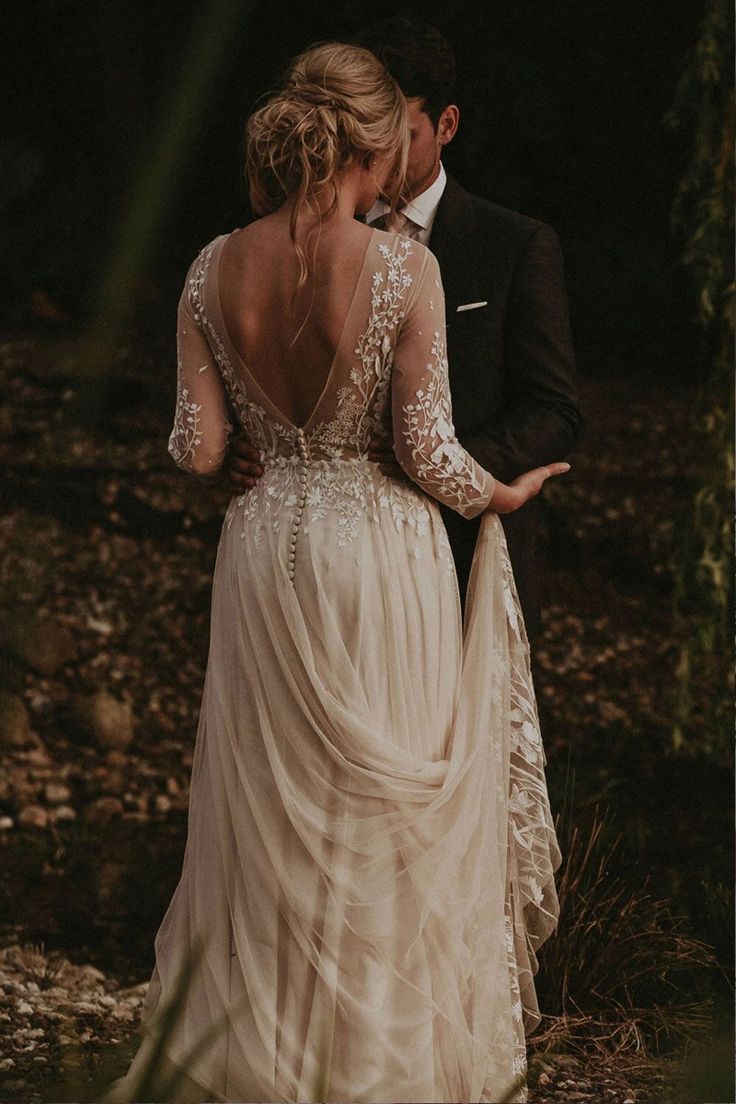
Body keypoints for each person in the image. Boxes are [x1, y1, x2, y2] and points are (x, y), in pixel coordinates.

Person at [103, 41, 567, 1104]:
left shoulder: (209, 265)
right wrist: (505, 493)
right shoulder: (406, 268)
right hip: (380, 554)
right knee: (377, 813)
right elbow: (428, 454)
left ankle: (265, 1054)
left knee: (272, 809)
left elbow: (196, 450)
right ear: (373, 141)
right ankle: (378, 1060)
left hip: (265, 551)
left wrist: (266, 444)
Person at [227, 18, 580, 640]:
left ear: (446, 126)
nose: (379, 152)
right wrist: (254, 445)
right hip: (317, 559)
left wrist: (441, 471)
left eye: (403, 133)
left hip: (466, 547)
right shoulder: (288, 243)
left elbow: (552, 410)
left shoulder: (515, 246)